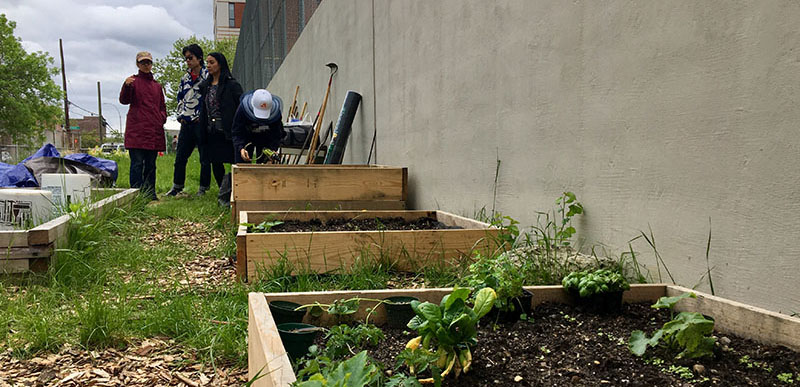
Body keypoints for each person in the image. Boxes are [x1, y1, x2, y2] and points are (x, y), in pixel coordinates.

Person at [119, 51, 166, 201]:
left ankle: (150, 193)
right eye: (143, 62)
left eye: (148, 62)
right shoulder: (132, 82)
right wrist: (126, 86)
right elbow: (124, 100)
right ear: (138, 64)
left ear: (152, 64)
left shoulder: (157, 86)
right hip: (136, 131)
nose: (146, 65)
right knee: (137, 164)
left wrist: (161, 119)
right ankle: (135, 193)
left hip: (153, 132)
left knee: (151, 165)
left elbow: (162, 106)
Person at [197, 52, 242, 206]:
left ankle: (235, 191)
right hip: (211, 129)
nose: (208, 65)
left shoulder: (232, 85)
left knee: (233, 160)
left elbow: (240, 105)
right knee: (215, 161)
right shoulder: (205, 86)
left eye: (212, 62)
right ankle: (223, 191)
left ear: (220, 64)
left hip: (228, 129)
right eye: (207, 63)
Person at [166, 44, 211, 197]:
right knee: (180, 157)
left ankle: (203, 188)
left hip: (201, 123)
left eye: (190, 58)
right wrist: (180, 115)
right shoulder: (185, 77)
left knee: (205, 158)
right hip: (186, 123)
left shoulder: (208, 75)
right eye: (186, 58)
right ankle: (177, 187)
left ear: (199, 58)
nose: (188, 61)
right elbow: (180, 97)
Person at [232, 89, 284, 164]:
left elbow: (276, 134)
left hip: (265, 138)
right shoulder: (242, 110)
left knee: (264, 169)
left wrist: (273, 149)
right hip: (246, 137)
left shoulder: (276, 115)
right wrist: (241, 148)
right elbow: (237, 131)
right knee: (242, 167)